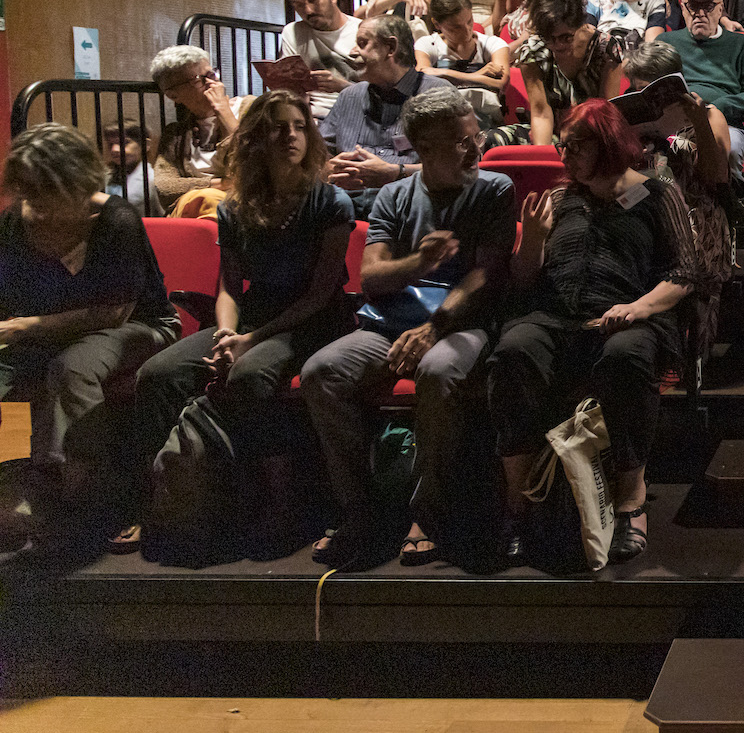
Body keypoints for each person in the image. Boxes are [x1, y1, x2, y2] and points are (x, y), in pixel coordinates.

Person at [121, 91, 357, 558]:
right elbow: (228, 286)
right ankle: (163, 498)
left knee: (249, 374)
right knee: (158, 374)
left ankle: (279, 503)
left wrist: (250, 341)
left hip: (315, 319)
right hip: (253, 315)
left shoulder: (331, 201)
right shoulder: (236, 206)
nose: (290, 136)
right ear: (257, 139)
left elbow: (320, 293)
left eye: (299, 126)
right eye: (278, 127)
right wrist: (227, 334)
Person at [301, 89, 515, 570]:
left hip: (462, 323)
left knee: (437, 371)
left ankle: (428, 510)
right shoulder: (395, 196)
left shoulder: (494, 189)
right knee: (321, 372)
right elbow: (372, 278)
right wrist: (419, 262)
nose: (476, 148)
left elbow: (484, 275)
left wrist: (434, 329)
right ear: (424, 148)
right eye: (461, 141)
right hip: (389, 325)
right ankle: (360, 508)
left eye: (475, 136)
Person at [489, 99, 701, 563]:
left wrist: (637, 307)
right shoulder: (560, 198)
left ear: (607, 144)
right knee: (513, 352)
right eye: (562, 146)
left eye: (575, 146)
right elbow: (523, 281)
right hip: (555, 317)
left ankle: (631, 500)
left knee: (627, 357)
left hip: (629, 316)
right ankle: (518, 507)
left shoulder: (658, 194)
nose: (564, 156)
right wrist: (534, 241)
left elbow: (686, 272)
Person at [0, 125, 180, 544]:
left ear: (75, 181)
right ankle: (15, 490)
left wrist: (24, 326)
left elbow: (115, 312)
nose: (32, 201)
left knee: (74, 368)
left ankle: (94, 495)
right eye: (27, 189)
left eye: (44, 190)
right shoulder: (14, 222)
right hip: (49, 331)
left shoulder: (116, 219)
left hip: (139, 325)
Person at [623, 40, 738, 370]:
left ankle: (684, 358)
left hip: (693, 206)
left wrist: (698, 122)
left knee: (690, 234)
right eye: (636, 89)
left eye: (648, 89)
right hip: (644, 204)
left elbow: (715, 177)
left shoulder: (709, 115)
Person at [319, 14, 455, 217]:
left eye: (362, 43)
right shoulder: (349, 96)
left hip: (410, 208)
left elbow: (458, 167)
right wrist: (329, 169)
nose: (352, 52)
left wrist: (396, 173)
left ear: (391, 48)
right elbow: (317, 154)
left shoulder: (439, 94)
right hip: (342, 209)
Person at [655, 0, 744, 176]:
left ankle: (727, 196)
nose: (700, 13)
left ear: (720, 9)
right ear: (683, 8)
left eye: (707, 6)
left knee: (728, 152)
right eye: (692, 6)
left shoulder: (741, 45)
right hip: (676, 122)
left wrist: (717, 107)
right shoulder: (666, 42)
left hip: (725, 121)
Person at [495, 0, 633, 146]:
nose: (558, 45)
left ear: (581, 25)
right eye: (550, 38)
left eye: (566, 37)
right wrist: (543, 155)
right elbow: (541, 114)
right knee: (492, 139)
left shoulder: (605, 48)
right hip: (551, 131)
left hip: (592, 134)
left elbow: (606, 112)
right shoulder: (533, 51)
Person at [148, 45, 242, 210]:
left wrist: (224, 113)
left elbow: (254, 169)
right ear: (173, 95)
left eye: (212, 74)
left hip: (241, 210)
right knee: (206, 199)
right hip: (196, 211)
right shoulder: (176, 134)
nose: (213, 83)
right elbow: (165, 188)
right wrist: (225, 184)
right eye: (200, 79)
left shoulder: (252, 110)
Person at [416, 0, 511, 127]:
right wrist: (477, 75)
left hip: (487, 122)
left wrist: (443, 73)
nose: (467, 31)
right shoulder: (428, 44)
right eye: (456, 27)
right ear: (437, 24)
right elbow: (421, 76)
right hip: (442, 122)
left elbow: (500, 83)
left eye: (469, 21)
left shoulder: (493, 44)